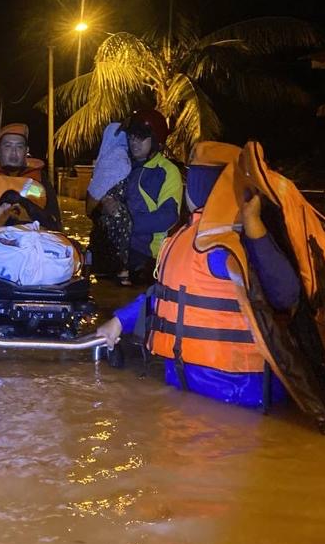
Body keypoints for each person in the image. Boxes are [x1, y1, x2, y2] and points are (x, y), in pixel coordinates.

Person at [99, 140, 325, 434]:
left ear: (194, 190)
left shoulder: (187, 242)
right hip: (240, 398)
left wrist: (119, 320)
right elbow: (284, 295)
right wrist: (256, 228)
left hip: (195, 391)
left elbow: (162, 296)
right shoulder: (225, 244)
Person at [99, 141, 300, 407]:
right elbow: (165, 295)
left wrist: (119, 322)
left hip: (225, 391)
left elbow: (284, 293)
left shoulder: (221, 239)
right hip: (231, 397)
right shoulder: (218, 237)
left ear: (195, 186)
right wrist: (120, 321)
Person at [108, 109, 183, 285]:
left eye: (141, 137)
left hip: (145, 256)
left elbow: (168, 217)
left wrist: (124, 222)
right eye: (132, 136)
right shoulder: (122, 167)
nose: (134, 142)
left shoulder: (166, 171)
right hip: (117, 252)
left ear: (155, 140)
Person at [0, 122, 63, 235]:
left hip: (31, 240)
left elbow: (54, 222)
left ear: (26, 150)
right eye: (8, 146)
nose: (14, 153)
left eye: (19, 147)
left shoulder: (40, 179)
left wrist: (22, 204)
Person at [85, 121, 133, 282]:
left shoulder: (111, 159)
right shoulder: (126, 157)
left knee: (106, 244)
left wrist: (93, 208)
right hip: (122, 214)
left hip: (110, 215)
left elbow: (95, 193)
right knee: (120, 248)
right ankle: (122, 273)